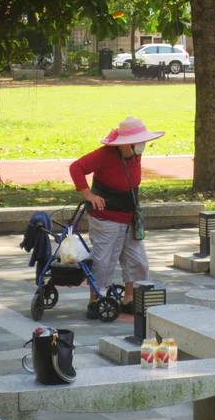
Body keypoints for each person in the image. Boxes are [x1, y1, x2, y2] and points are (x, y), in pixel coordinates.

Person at [69, 117, 165, 319]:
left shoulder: (135, 155)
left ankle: (129, 299)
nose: (143, 144)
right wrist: (88, 194)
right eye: (139, 140)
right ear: (126, 143)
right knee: (104, 260)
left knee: (137, 260)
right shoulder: (104, 155)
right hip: (106, 218)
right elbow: (76, 167)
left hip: (130, 217)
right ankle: (95, 300)